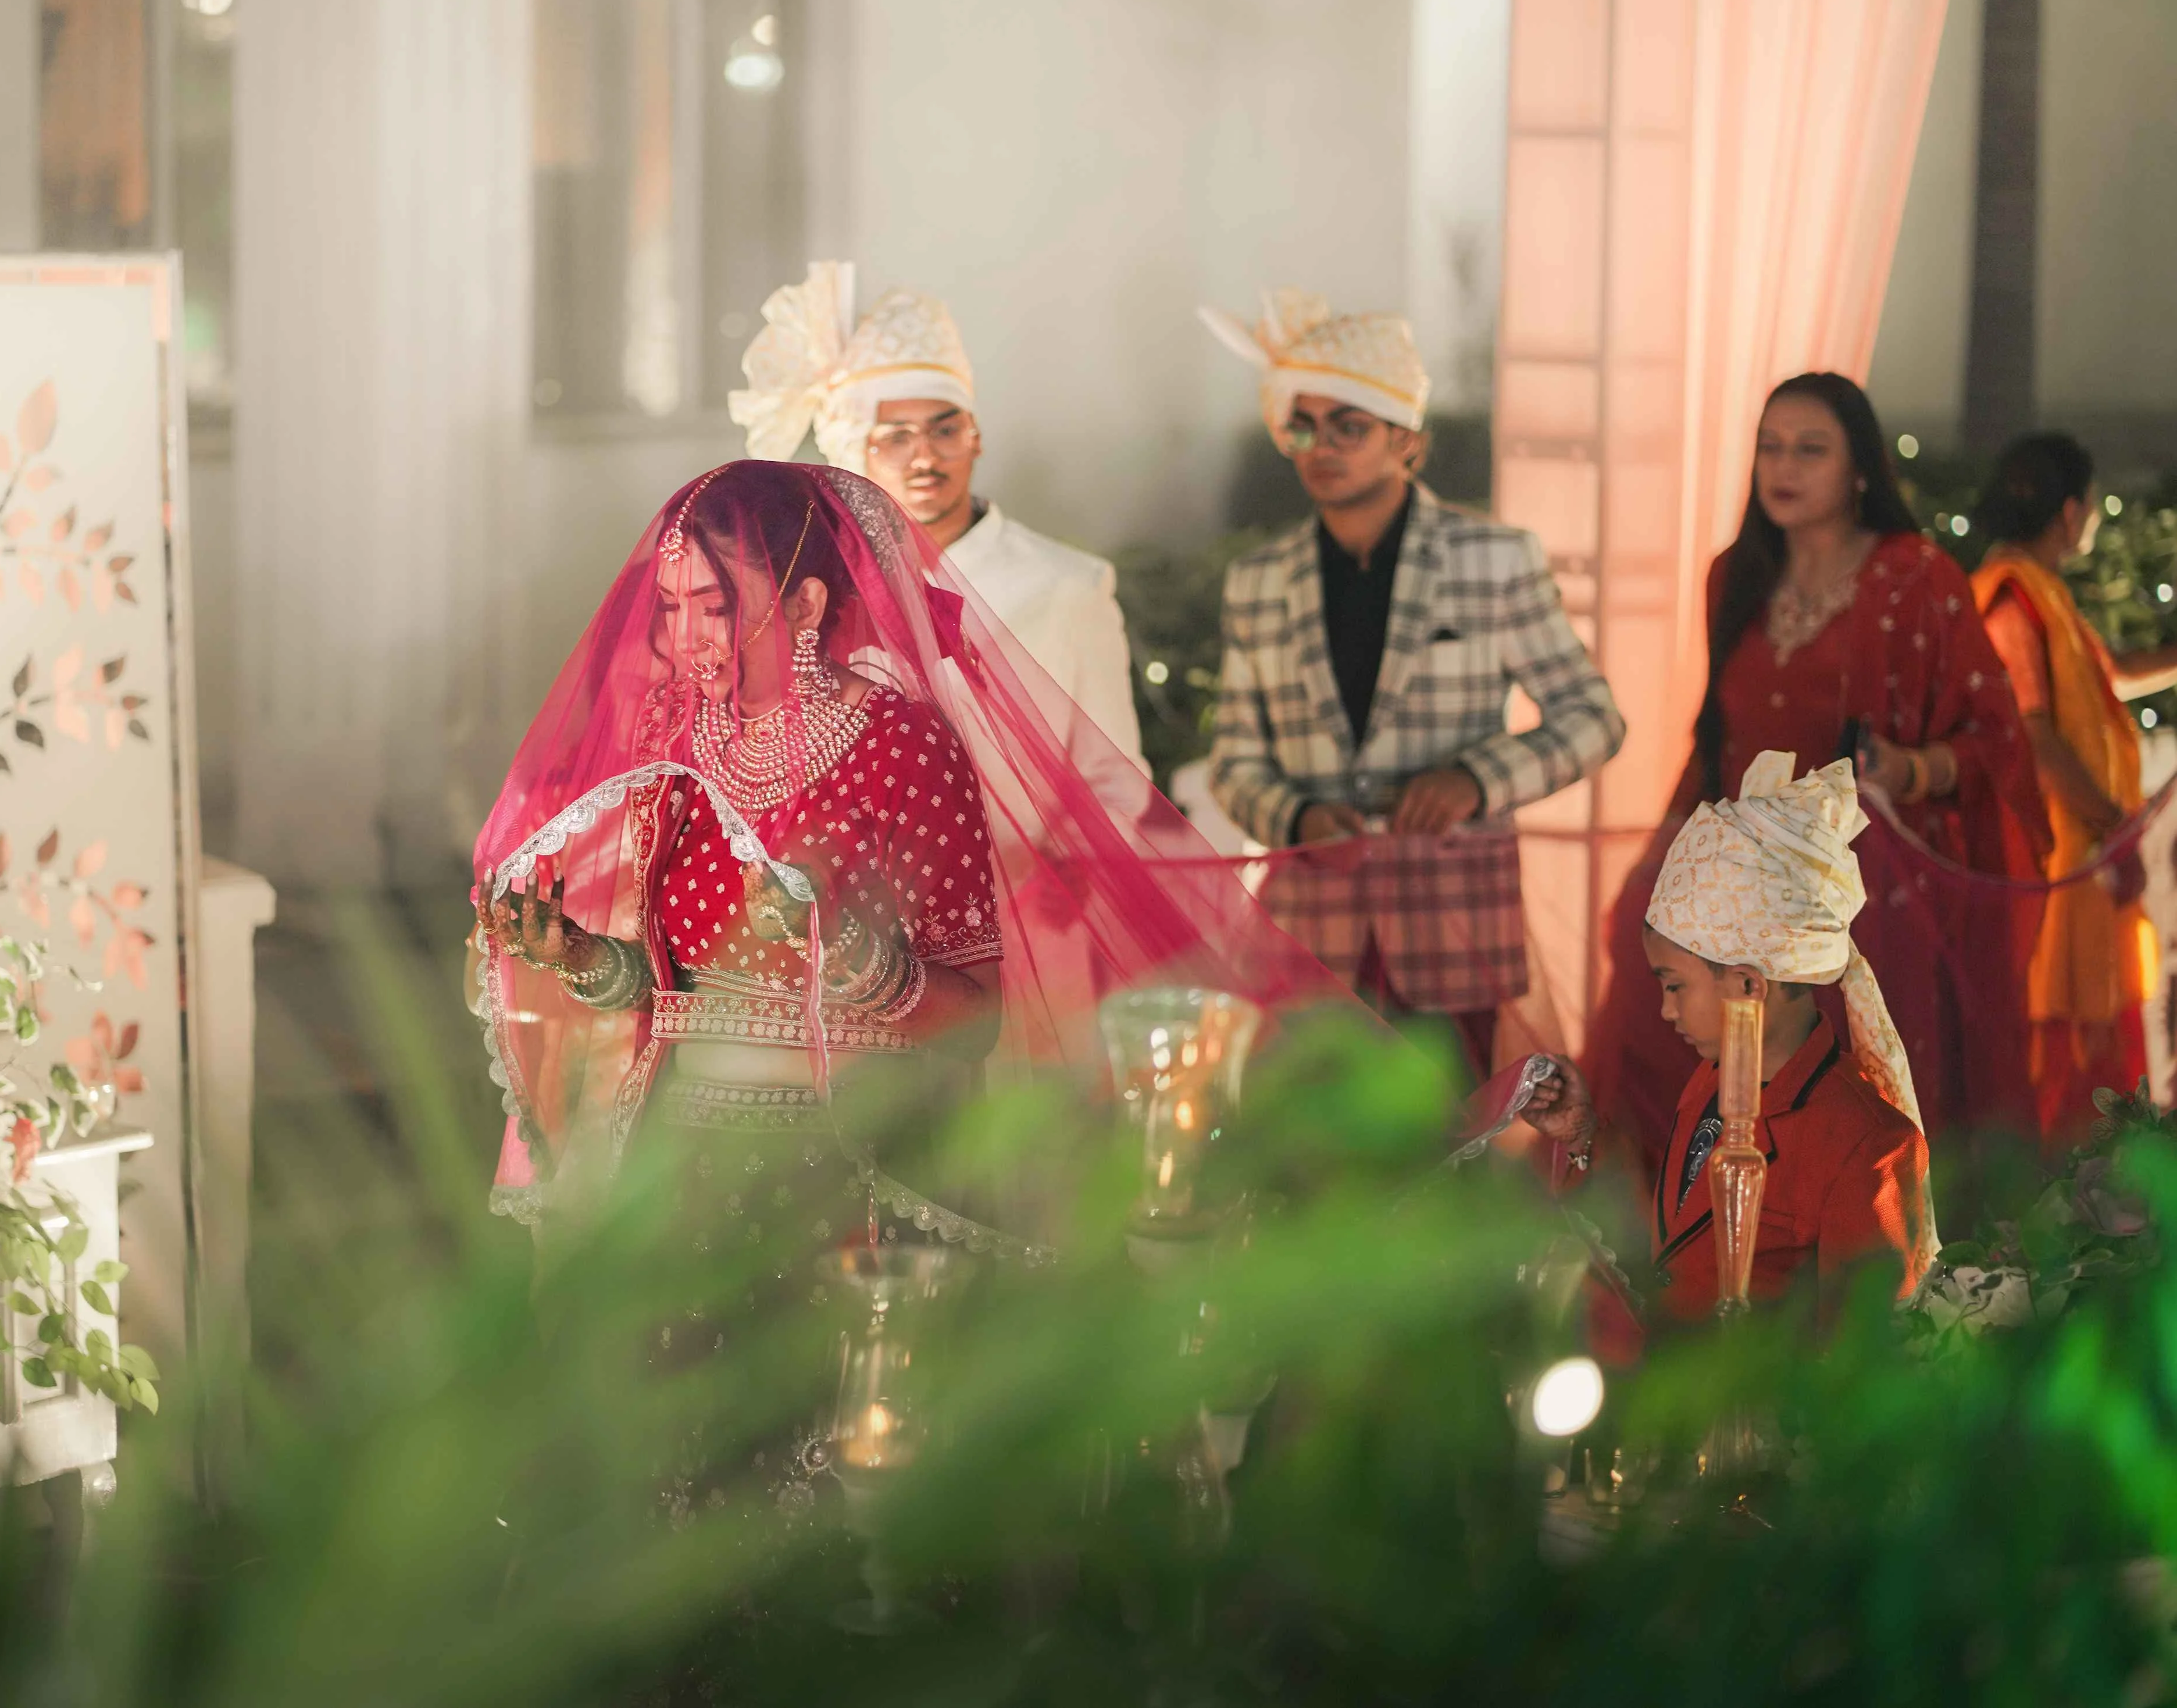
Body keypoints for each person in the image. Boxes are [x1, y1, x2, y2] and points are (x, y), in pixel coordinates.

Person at [470, 459, 1347, 1254]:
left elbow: (976, 1021)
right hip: (685, 1175)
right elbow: (673, 996)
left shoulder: (900, 748)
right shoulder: (676, 744)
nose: (689, 638)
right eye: (671, 607)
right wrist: (577, 957)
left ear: (808, 604)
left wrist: (846, 949)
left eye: (716, 604)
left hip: (853, 1172)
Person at [1580, 373, 2049, 1162]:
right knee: (1678, 1055)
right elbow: (1719, 736)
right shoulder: (1736, 576)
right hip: (1735, 883)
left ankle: (1858, 1268)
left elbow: (1995, 738)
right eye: (1768, 449)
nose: (1782, 468)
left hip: (1858, 888)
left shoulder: (1915, 577)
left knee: (1844, 1107)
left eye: (1809, 450)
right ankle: (1700, 1262)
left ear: (1859, 469)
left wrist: (1911, 769)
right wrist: (1666, 852)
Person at [1199, 288, 1625, 1074]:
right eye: (1302, 424)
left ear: (1409, 445)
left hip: (1452, 930)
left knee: (1450, 1162)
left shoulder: (1491, 558)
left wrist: (1474, 779)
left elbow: (1593, 717)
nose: (1321, 445)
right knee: (1315, 1173)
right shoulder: (1257, 581)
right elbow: (1233, 761)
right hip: (1309, 939)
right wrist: (1294, 818)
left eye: (1348, 426)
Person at [1522, 753, 1932, 1322]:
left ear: (1745, 984)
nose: (1665, 1010)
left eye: (1673, 986)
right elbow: (1676, 1237)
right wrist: (1583, 1132)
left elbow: (1863, 1355)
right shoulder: (1711, 1083)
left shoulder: (1867, 1144)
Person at [730, 261, 1150, 773]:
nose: (925, 457)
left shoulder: (1067, 585)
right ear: (854, 453)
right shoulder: (813, 589)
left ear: (976, 439)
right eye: (897, 438)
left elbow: (1115, 782)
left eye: (945, 431)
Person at [1971, 432, 2177, 1143]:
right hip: (2053, 862)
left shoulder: (2044, 595)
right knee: (2061, 1067)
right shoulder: (2011, 601)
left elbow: (2110, 672)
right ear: (2069, 511)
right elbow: (2034, 738)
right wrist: (2113, 820)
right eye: (2088, 504)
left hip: (2082, 858)